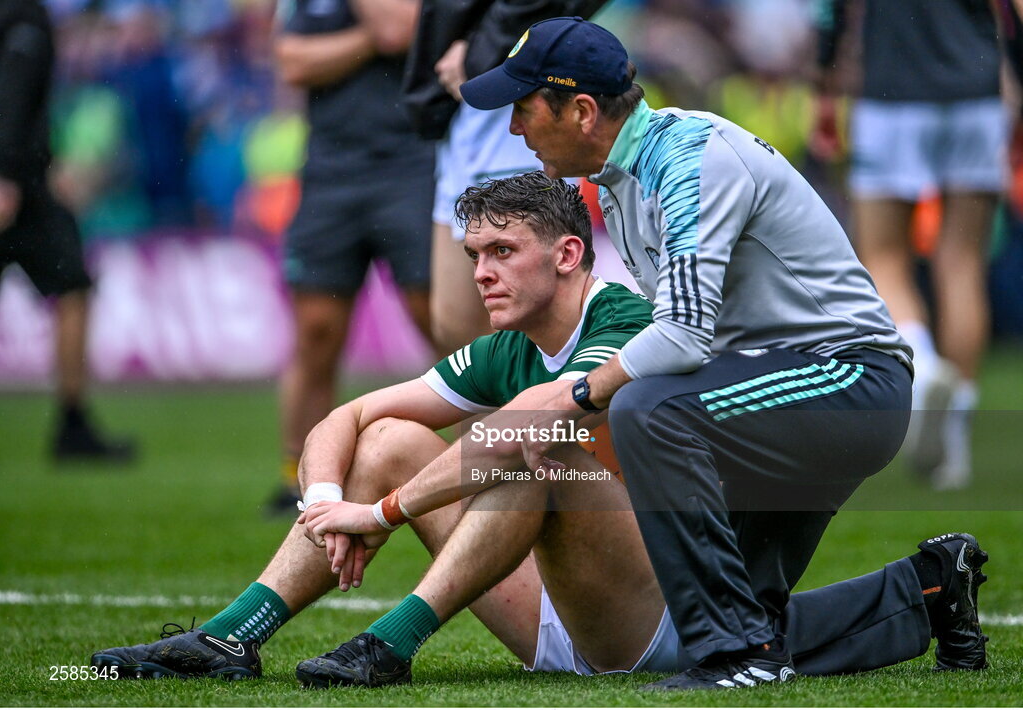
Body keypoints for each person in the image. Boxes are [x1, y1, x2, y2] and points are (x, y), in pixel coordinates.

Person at [91, 174, 987, 690]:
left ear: (567, 255)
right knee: (388, 435)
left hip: (665, 612)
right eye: (474, 253)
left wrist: (391, 513)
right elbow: (347, 415)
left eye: (499, 252)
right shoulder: (509, 344)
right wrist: (331, 503)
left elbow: (527, 430)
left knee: (536, 442)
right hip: (572, 613)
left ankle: (389, 644)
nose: (479, 272)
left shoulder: (629, 323)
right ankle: (231, 637)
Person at [454, 17, 989, 690]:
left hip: (846, 381)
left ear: (582, 111)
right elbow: (677, 344)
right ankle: (933, 591)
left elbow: (681, 337)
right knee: (740, 617)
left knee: (650, 414)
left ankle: (737, 658)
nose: (513, 130)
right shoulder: (625, 179)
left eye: (523, 109)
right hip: (781, 391)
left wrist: (573, 396)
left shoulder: (688, 158)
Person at [812, 0, 1023, 490]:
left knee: (883, 255)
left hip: (892, 92)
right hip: (977, 89)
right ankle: (955, 446)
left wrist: (824, 81)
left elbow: (830, 12)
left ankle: (923, 370)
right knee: (963, 261)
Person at [269, 0, 436, 513]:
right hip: (330, 169)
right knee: (316, 332)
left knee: (439, 318)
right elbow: (294, 62)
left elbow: (399, 28)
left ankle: (493, 460)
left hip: (412, 162)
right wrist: (369, 40)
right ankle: (298, 477)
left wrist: (354, 42)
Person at [402, 0, 609, 354]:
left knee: (533, 332)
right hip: (458, 104)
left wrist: (479, 49)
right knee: (457, 331)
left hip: (515, 89)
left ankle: (559, 408)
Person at [0, 0, 134, 462]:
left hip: (25, 178)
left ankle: (74, 425)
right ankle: (72, 424)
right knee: (72, 285)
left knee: (74, 284)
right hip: (20, 185)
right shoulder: (22, 15)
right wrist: (8, 173)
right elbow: (13, 91)